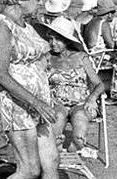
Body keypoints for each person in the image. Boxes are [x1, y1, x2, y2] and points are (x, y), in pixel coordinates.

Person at [0, 0, 65, 179]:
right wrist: (36, 103)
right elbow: (0, 74)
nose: (40, 2)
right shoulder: (2, 25)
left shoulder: (27, 25)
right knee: (30, 169)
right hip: (17, 105)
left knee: (51, 161)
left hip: (37, 104)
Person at [39, 16, 103, 157]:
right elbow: (37, 79)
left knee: (80, 118)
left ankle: (76, 144)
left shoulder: (81, 57)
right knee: (59, 116)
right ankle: (56, 146)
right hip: (56, 103)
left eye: (57, 39)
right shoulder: (47, 58)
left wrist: (92, 98)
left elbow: (99, 84)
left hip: (81, 103)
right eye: (51, 39)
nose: (53, 43)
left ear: (67, 40)